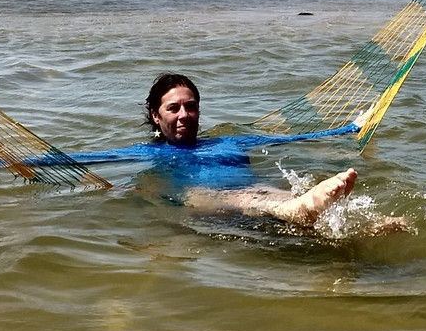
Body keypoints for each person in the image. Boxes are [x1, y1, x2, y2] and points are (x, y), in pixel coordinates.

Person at [144, 72, 364, 227]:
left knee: (267, 194)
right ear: (155, 115)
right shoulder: (146, 152)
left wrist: (351, 128)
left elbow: (293, 138)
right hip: (211, 204)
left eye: (190, 106)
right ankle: (305, 206)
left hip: (259, 196)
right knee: (232, 197)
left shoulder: (229, 142)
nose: (184, 115)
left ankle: (326, 210)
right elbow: (121, 176)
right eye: (173, 108)